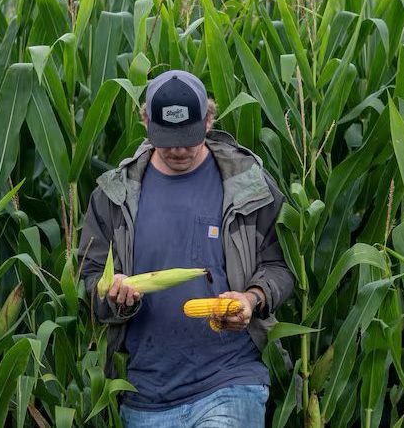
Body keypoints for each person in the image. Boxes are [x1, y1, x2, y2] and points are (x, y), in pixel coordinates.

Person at [77, 70, 295, 427]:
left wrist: (251, 298)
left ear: (208, 120)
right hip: (145, 393)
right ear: (145, 120)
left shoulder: (249, 185)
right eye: (167, 138)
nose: (178, 149)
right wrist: (111, 293)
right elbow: (88, 279)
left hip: (229, 380)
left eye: (187, 137)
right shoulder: (113, 198)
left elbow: (279, 266)